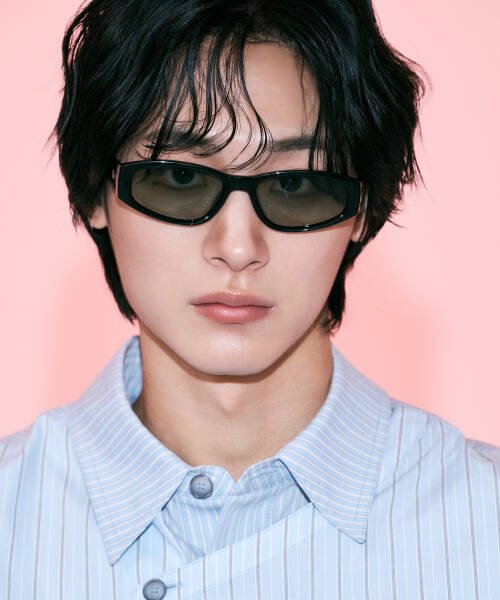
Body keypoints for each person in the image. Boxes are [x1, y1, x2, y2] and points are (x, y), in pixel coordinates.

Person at [1, 0, 499, 598]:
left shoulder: (484, 521)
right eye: (180, 178)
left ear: (363, 210)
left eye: (295, 184)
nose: (237, 248)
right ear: (94, 192)